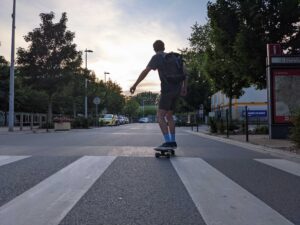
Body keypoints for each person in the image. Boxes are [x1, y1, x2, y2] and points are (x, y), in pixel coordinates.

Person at [130, 40, 188, 149]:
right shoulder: (175, 57)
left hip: (167, 89)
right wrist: (184, 87)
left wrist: (135, 85)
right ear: (164, 47)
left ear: (154, 49)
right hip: (177, 89)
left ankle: (168, 142)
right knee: (169, 116)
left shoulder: (157, 57)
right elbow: (185, 73)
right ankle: (173, 141)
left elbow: (146, 71)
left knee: (160, 116)